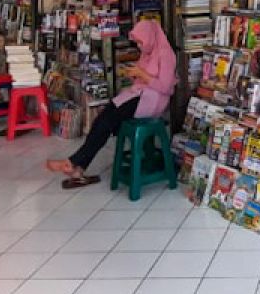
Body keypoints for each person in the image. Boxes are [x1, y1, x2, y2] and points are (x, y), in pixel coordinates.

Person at [46, 19, 177, 187]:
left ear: (150, 37)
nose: (139, 46)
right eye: (137, 42)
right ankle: (77, 167)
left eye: (140, 41)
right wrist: (135, 75)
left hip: (153, 101)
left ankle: (74, 164)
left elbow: (166, 87)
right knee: (102, 118)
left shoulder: (166, 55)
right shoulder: (147, 52)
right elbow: (142, 78)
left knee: (107, 122)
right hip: (137, 95)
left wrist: (142, 75)